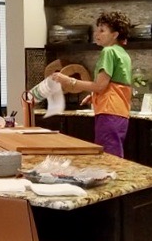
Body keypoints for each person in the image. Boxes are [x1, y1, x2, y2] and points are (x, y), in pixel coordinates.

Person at [52, 11, 132, 157]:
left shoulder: (108, 51)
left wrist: (68, 80)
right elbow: (115, 85)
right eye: (97, 29)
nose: (97, 33)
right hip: (120, 112)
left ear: (114, 35)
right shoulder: (123, 53)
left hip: (109, 111)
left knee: (108, 158)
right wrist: (94, 95)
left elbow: (100, 86)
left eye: (102, 30)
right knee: (115, 155)